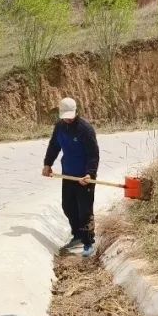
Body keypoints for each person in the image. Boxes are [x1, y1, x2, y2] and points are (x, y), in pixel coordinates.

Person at [42, 97, 100, 257]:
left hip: (84, 178)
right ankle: (78, 235)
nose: (68, 119)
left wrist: (90, 173)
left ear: (76, 112)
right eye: (65, 116)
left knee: (85, 211)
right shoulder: (60, 127)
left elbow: (93, 154)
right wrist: (47, 164)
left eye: (70, 116)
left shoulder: (85, 129)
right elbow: (54, 146)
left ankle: (88, 242)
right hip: (68, 174)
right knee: (68, 206)